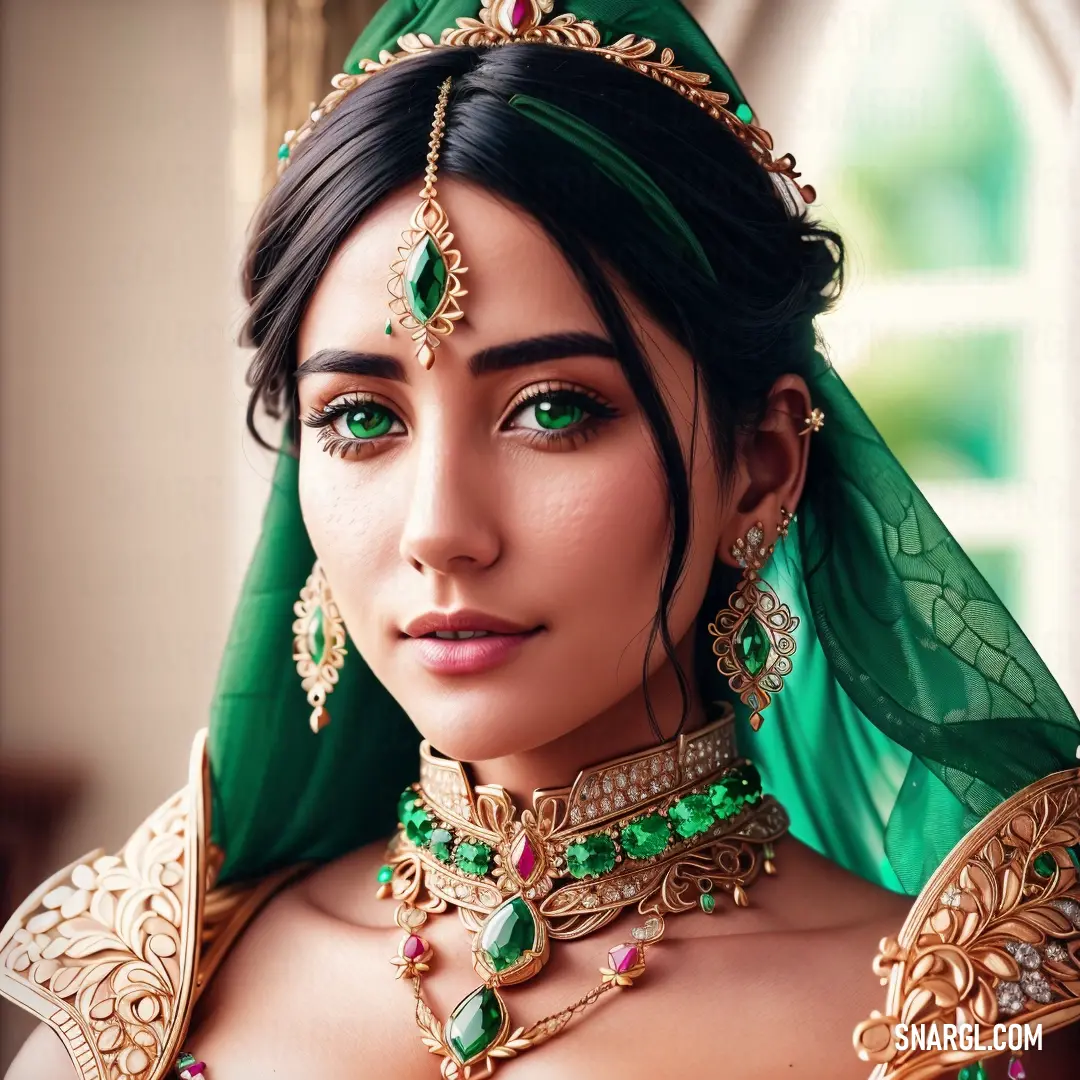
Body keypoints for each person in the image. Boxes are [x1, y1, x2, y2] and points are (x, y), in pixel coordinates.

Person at [5, 2, 1080, 1077]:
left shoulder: (970, 1021)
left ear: (758, 468)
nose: (441, 532)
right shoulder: (143, 1005)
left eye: (553, 410)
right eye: (361, 419)